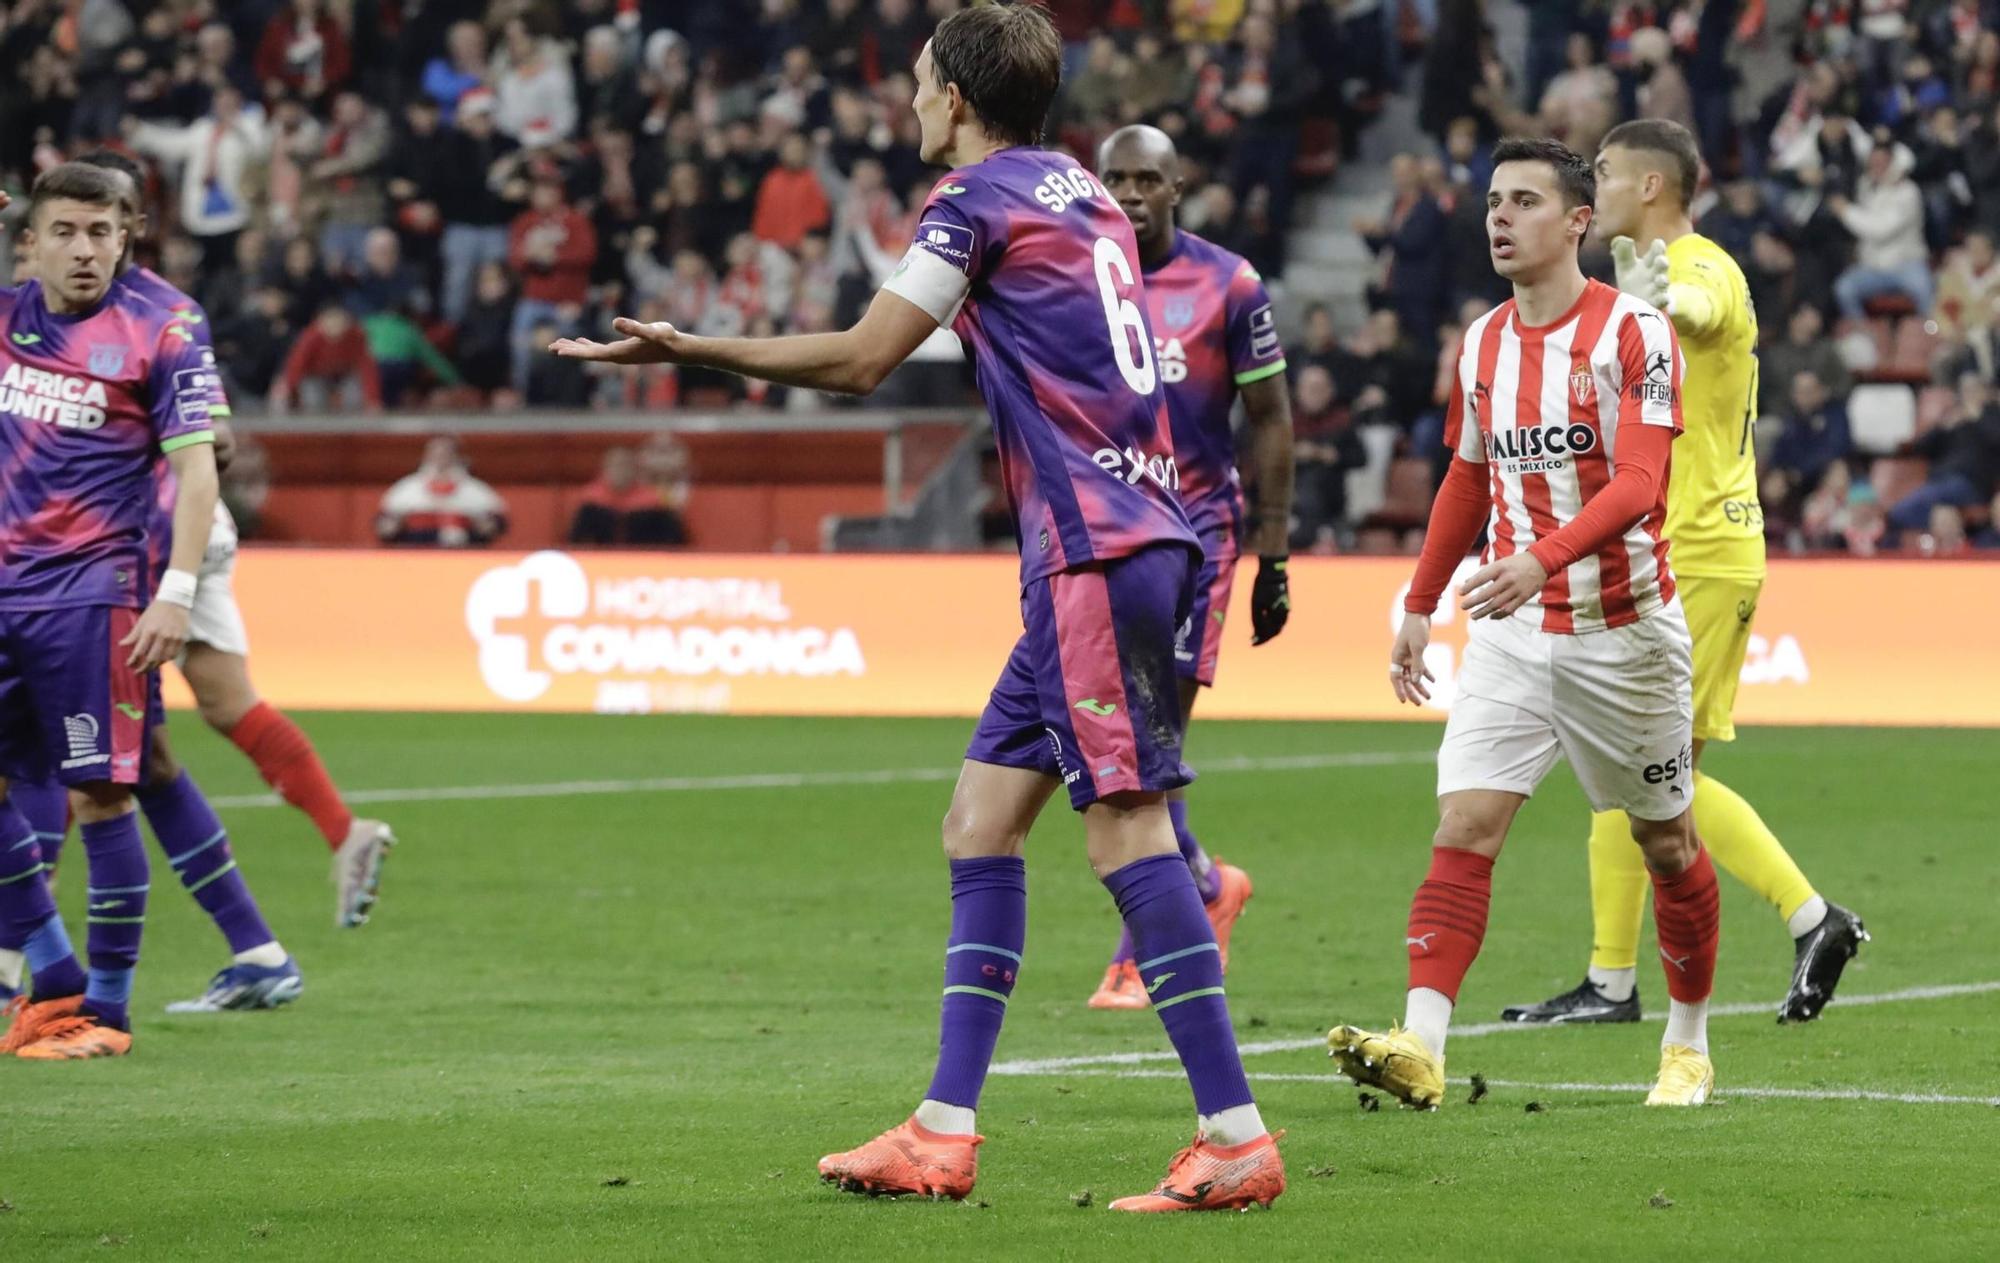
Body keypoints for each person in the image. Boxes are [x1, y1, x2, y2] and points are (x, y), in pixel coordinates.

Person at [553, 4, 1283, 1211]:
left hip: (1094, 554)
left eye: (917, 84)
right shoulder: (1081, 191)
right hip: (1129, 538)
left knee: (1128, 832)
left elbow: (860, 357)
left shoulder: (974, 202)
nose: (906, 103)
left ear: (954, 94)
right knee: (979, 820)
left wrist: (692, 349)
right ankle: (941, 1130)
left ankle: (1233, 1137)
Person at [1327, 137, 1721, 1109]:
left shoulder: (1634, 335)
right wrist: (1417, 605)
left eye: (1525, 202)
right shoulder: (1483, 343)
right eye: (1493, 201)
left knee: (1663, 843)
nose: (1499, 217)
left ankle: (1685, 1039)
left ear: (1577, 221)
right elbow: (1466, 477)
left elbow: (1638, 484)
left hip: (1621, 634)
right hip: (1510, 630)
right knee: (1462, 825)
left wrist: (1536, 559)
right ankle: (1420, 1043)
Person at [1496, 119, 1866, 1031]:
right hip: (1665, 550)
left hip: (1699, 549)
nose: (1600, 186)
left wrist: (1656, 307)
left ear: (1651, 188)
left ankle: (1813, 916)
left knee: (1653, 772)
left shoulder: (1703, 267)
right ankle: (1611, 980)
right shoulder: (1629, 288)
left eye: (1610, 174)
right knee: (1618, 763)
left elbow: (1698, 308)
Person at [0, 164, 222, 1058]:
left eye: (101, 232)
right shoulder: (9, 317)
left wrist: (176, 591)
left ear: (126, 234)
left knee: (100, 795)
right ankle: (53, 970)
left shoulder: (162, 327)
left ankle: (108, 1008)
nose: (84, 249)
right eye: (66, 232)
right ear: (33, 239)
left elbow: (200, 469)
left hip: (93, 593)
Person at [1083, 124, 1294, 1009]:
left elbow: (1272, 420)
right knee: (1122, 750)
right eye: (1115, 179)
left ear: (1177, 188)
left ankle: (1142, 954)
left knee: (1153, 744)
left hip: (1197, 535)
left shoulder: (1228, 284)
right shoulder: (1079, 280)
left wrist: (1273, 552)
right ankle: (1206, 882)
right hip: (1107, 532)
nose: (1130, 194)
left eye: (1147, 180)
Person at [377, 436, 508, 547]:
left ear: (457, 456)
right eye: (435, 454)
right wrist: (391, 526)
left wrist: (487, 526)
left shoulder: (476, 490)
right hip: (414, 555)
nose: (441, 459)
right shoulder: (406, 488)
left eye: (446, 453)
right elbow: (385, 525)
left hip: (464, 555)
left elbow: (496, 523)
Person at [569, 446, 688, 546]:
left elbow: (674, 541)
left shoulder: (653, 504)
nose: (621, 470)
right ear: (604, 469)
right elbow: (576, 541)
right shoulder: (590, 504)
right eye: (615, 466)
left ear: (635, 470)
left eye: (626, 465)